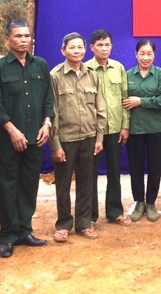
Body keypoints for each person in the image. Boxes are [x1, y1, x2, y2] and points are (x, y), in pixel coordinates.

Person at [0, 20, 54, 259]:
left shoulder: (41, 65)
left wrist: (47, 123)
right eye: (18, 36)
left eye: (27, 35)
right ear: (7, 40)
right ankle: (7, 236)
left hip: (36, 139)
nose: (24, 40)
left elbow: (48, 98)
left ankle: (25, 231)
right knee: (7, 187)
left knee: (28, 185)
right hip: (8, 140)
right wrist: (12, 131)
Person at [49, 33, 107, 242]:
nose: (77, 51)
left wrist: (99, 137)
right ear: (63, 51)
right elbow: (52, 111)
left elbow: (101, 108)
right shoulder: (55, 76)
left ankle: (84, 223)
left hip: (89, 137)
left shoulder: (92, 75)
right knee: (63, 183)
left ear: (85, 49)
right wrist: (55, 143)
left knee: (86, 181)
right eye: (72, 48)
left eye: (80, 47)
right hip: (65, 138)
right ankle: (63, 223)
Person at [123, 40, 161, 222]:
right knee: (135, 168)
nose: (145, 57)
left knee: (155, 167)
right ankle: (139, 202)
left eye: (149, 53)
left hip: (155, 129)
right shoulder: (127, 75)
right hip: (134, 129)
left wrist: (140, 101)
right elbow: (123, 101)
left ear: (154, 55)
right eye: (142, 53)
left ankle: (150, 203)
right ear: (136, 54)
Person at [84, 30, 130, 224]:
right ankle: (91, 215)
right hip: (92, 131)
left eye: (107, 45)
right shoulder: (85, 69)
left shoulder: (118, 68)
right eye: (100, 45)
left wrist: (125, 125)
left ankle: (114, 211)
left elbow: (124, 98)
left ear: (112, 46)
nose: (104, 48)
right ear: (92, 47)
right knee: (90, 173)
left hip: (115, 129)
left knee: (114, 171)